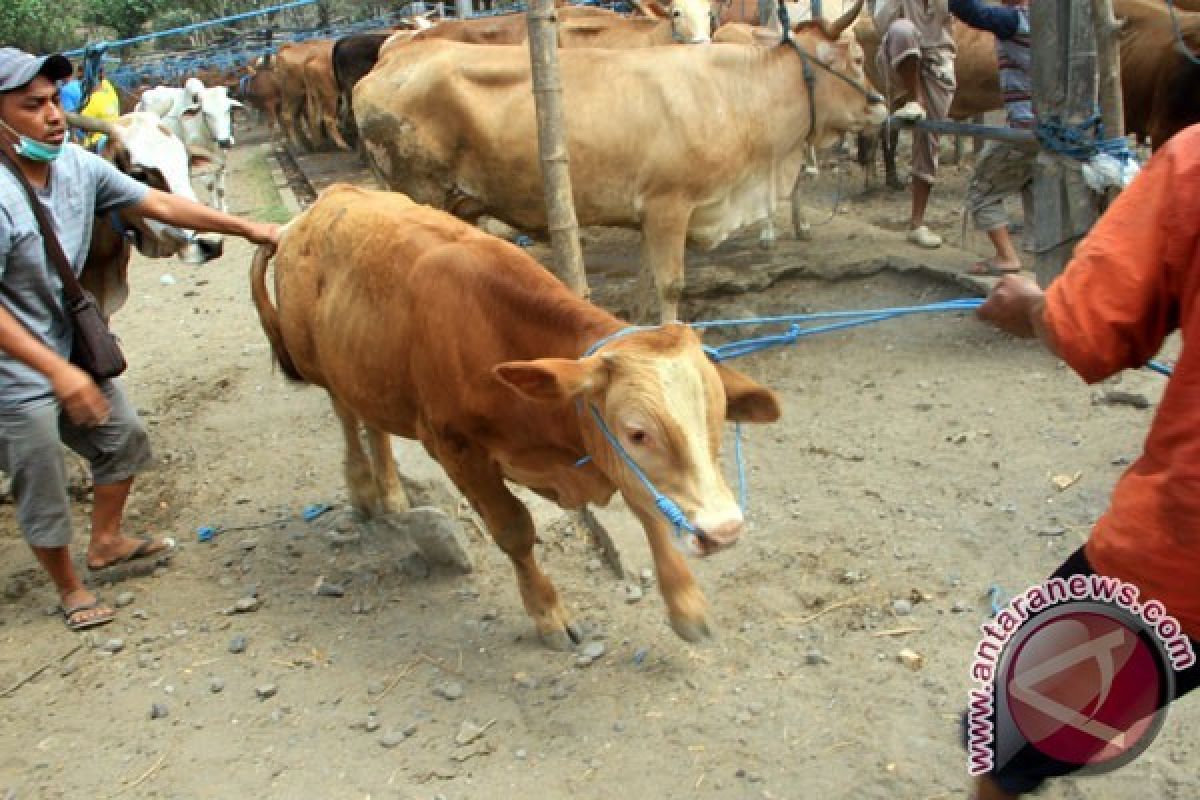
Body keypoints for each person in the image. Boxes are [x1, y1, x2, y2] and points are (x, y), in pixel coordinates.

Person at [0, 47, 280, 631]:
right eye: (33, 106)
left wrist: (252, 226)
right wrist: (57, 373)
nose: (53, 116)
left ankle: (105, 541)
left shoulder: (77, 167)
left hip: (63, 344)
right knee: (42, 473)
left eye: (55, 102)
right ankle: (70, 588)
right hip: (13, 366)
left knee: (123, 438)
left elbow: (157, 201)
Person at [972, 123, 1200, 798]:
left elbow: (1088, 333)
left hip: (1183, 553)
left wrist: (1036, 309)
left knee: (1014, 722)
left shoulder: (1193, 163)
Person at [949, 0, 1032, 276]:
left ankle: (1006, 256)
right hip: (1058, 129)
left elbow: (971, 11)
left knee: (981, 191)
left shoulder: (1017, 20)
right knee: (1035, 184)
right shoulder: (1055, 24)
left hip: (1025, 128)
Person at [872, 0, 957, 249]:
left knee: (929, 139)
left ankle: (916, 224)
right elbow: (881, 24)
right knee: (902, 30)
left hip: (937, 61)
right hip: (898, 57)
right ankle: (914, 98)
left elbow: (956, 14)